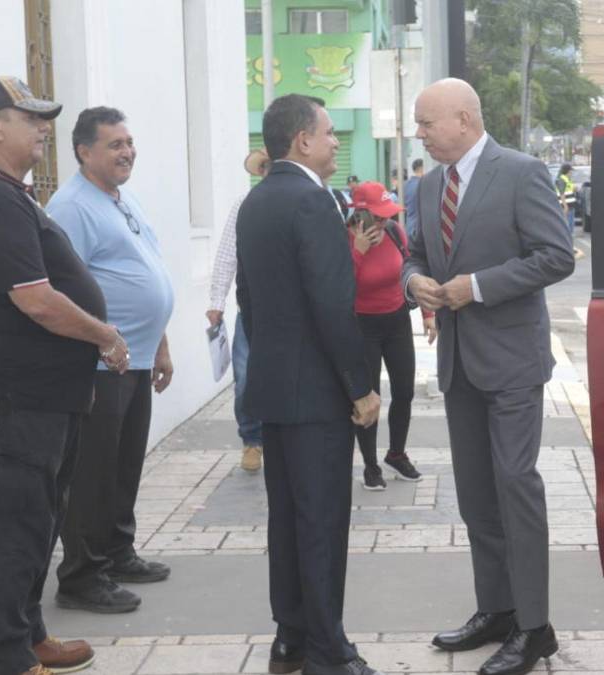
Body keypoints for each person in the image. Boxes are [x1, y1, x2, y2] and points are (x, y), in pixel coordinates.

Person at [0, 76, 128, 675]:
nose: (43, 128)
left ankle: (27, 636)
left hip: (45, 395)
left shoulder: (5, 191)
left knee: (39, 521)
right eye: (31, 119)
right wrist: (104, 334)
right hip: (15, 397)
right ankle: (3, 659)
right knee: (11, 529)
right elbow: (37, 299)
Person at [403, 78, 575, 675]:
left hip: (511, 363)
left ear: (465, 120)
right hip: (458, 363)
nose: (418, 132)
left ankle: (535, 628)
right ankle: (496, 610)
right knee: (477, 494)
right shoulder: (427, 185)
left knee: (515, 487)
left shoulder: (522, 172)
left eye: (426, 123)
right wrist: (414, 282)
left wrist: (474, 287)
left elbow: (557, 255)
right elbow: (416, 252)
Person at [235, 93, 384, 675]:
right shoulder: (313, 203)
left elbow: (249, 301)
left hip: (276, 387)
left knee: (289, 520)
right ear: (301, 140)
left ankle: (290, 639)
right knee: (321, 523)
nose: (333, 143)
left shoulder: (257, 202)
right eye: (326, 133)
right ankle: (328, 649)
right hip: (317, 393)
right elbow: (331, 304)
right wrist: (360, 388)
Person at [48, 106, 175, 614]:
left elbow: (147, 271)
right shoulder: (71, 207)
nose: (127, 152)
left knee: (124, 465)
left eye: (129, 142)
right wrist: (103, 340)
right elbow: (61, 286)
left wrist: (160, 341)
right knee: (92, 473)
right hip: (99, 363)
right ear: (84, 152)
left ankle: (118, 552)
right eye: (114, 145)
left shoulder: (121, 198)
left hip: (137, 359)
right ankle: (82, 575)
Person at [346, 181, 433, 491]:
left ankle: (396, 454)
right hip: (362, 327)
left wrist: (427, 313)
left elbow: (413, 271)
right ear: (360, 216)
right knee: (368, 399)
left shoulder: (396, 233)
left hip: (396, 321)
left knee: (405, 392)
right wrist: (358, 252)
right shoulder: (344, 240)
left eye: (387, 216)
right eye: (378, 217)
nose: (384, 223)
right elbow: (340, 289)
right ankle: (370, 465)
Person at [208, 149, 270, 472]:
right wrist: (217, 303)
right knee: (245, 377)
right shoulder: (244, 205)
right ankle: (251, 440)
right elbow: (226, 256)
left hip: (290, 315)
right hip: (250, 310)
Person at [403, 158, 424, 239]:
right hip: (419, 229)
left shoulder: (406, 185)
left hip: (409, 226)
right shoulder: (423, 184)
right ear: (422, 168)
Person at [555, 163, 576, 237]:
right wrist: (565, 206)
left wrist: (574, 189)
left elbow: (570, 190)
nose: (571, 172)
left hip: (570, 206)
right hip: (566, 206)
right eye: (571, 171)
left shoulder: (567, 179)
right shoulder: (562, 179)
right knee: (567, 225)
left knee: (570, 225)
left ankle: (568, 238)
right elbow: (561, 193)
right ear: (567, 171)